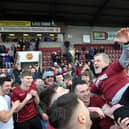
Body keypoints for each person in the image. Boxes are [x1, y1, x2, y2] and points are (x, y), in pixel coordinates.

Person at [90, 28, 129, 122]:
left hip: (127, 92)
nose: (95, 63)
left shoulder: (113, 67)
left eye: (98, 61)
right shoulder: (95, 82)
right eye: (94, 61)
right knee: (122, 120)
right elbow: (88, 95)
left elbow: (126, 57)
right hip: (118, 105)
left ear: (107, 62)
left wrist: (126, 44)